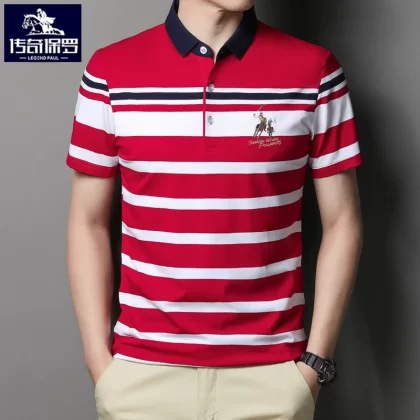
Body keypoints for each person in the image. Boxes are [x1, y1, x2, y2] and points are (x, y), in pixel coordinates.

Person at [65, 0, 363, 419]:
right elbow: (88, 221)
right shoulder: (109, 72)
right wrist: (100, 364)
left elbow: (343, 221)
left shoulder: (315, 71)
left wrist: (314, 364)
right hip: (141, 378)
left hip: (271, 379)